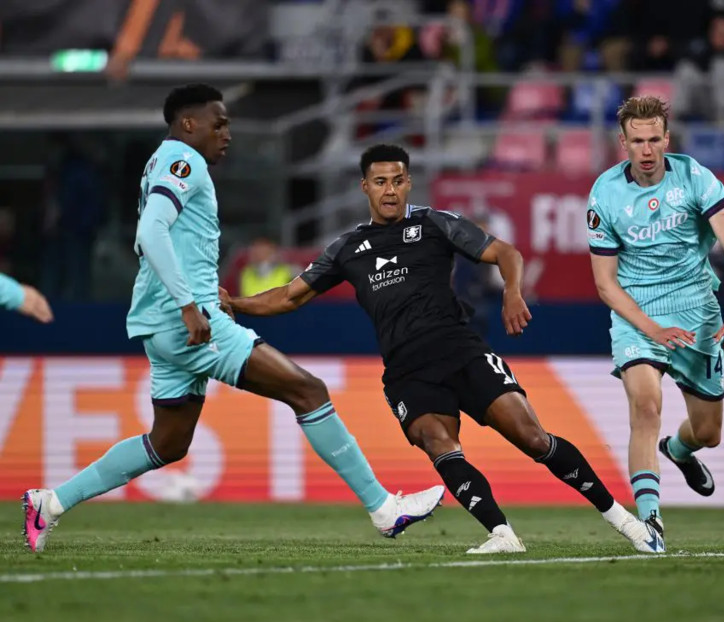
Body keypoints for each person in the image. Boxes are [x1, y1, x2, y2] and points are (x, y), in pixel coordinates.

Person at [21, 85, 443, 553]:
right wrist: (188, 303)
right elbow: (150, 230)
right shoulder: (183, 160)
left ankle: (50, 503)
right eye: (218, 124)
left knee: (168, 443)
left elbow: (161, 235)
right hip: (189, 321)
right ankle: (383, 508)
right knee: (308, 391)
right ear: (189, 124)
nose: (226, 134)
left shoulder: (162, 161)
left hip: (161, 324)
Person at [223, 143, 659, 555]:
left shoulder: (435, 224)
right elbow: (290, 296)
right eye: (380, 182)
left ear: (409, 183)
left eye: (397, 181)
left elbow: (506, 253)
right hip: (407, 371)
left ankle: (625, 521)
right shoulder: (347, 249)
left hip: (460, 350)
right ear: (365, 187)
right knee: (439, 443)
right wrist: (236, 304)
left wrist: (512, 292)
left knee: (533, 438)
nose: (390, 190)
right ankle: (501, 533)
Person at [587, 96, 724, 548]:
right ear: (622, 142)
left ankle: (678, 450)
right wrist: (651, 329)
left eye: (654, 140)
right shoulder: (605, 193)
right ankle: (651, 523)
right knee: (646, 407)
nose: (646, 150)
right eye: (637, 141)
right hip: (637, 316)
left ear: (667, 139)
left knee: (709, 433)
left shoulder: (695, 177)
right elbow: (605, 284)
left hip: (698, 315)